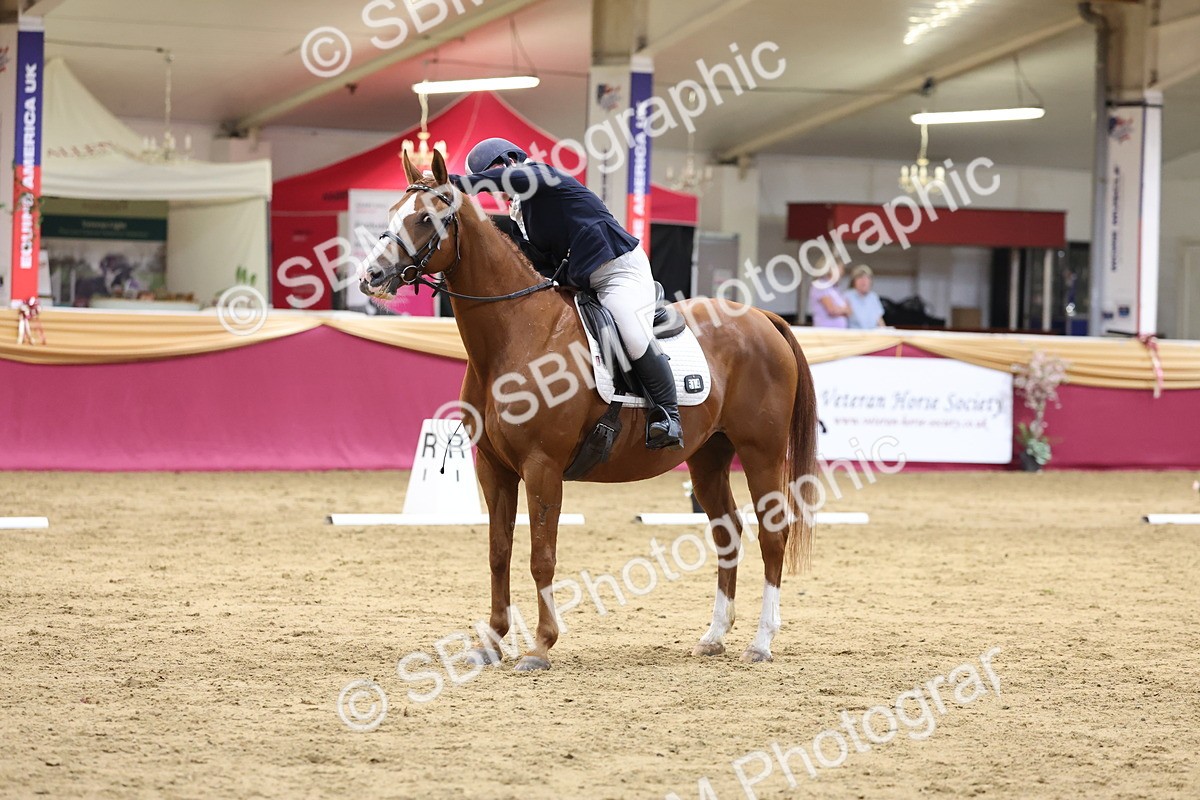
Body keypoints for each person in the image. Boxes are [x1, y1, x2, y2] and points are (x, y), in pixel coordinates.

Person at [447, 137, 682, 450]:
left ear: (511, 160)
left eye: (493, 172)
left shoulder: (541, 175)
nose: (498, 185)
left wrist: (454, 183)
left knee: (632, 333)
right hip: (582, 282)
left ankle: (669, 414)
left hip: (618, 271)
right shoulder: (521, 216)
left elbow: (508, 179)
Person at [809, 258, 850, 328]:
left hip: (839, 331)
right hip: (825, 330)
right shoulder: (821, 286)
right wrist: (843, 310)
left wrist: (841, 310)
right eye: (840, 269)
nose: (842, 273)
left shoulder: (835, 288)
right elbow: (832, 310)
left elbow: (849, 310)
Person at [846, 264, 886, 329]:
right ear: (854, 281)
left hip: (872, 335)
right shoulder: (847, 296)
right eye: (860, 278)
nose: (864, 281)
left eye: (867, 278)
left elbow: (879, 320)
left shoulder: (873, 297)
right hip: (854, 335)